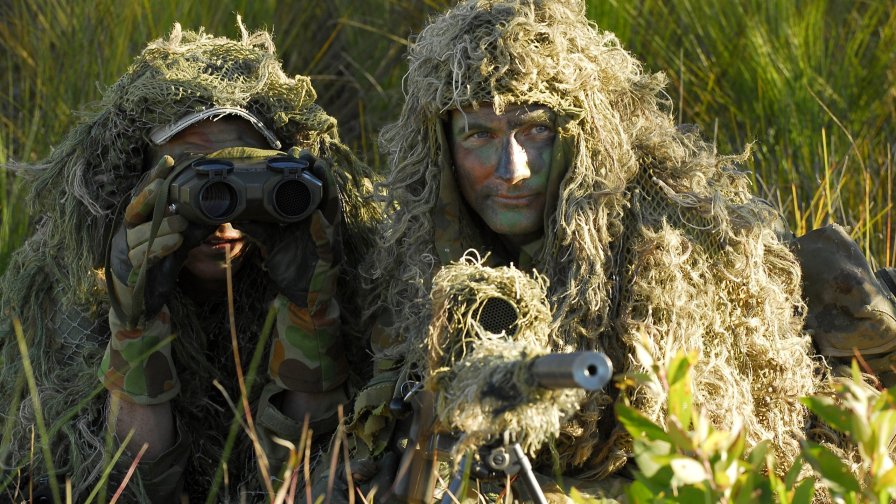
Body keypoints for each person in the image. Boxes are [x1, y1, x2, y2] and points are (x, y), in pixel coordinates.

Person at [342, 0, 828, 500]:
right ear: (441, 149)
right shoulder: (415, 259)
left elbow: (710, 478)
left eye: (536, 130)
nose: (513, 169)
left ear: (582, 138)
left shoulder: (669, 256)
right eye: (480, 135)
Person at [0, 19, 380, 502]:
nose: (222, 220)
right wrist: (135, 327)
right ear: (134, 184)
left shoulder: (344, 269)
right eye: (198, 182)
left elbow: (308, 482)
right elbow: (128, 490)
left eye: (243, 178)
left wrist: (311, 313)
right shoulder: (70, 288)